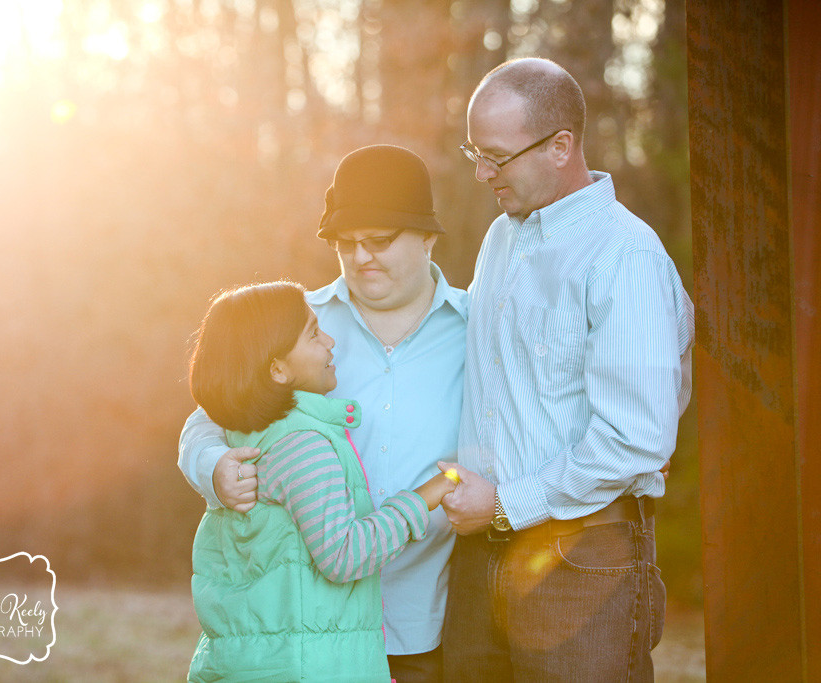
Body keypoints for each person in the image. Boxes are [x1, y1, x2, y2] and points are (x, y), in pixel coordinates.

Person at [438, 57, 695, 682]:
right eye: (475, 151)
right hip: (482, 554)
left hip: (585, 561)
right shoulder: (501, 236)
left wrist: (504, 505)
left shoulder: (625, 254)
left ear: (561, 146)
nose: (481, 172)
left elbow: (634, 440)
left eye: (496, 156)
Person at [179, 145, 467, 682]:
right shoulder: (298, 330)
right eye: (345, 244)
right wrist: (214, 468)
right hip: (298, 623)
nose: (361, 258)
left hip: (425, 615)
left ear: (428, 237)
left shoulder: (476, 330)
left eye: (379, 241)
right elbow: (209, 416)